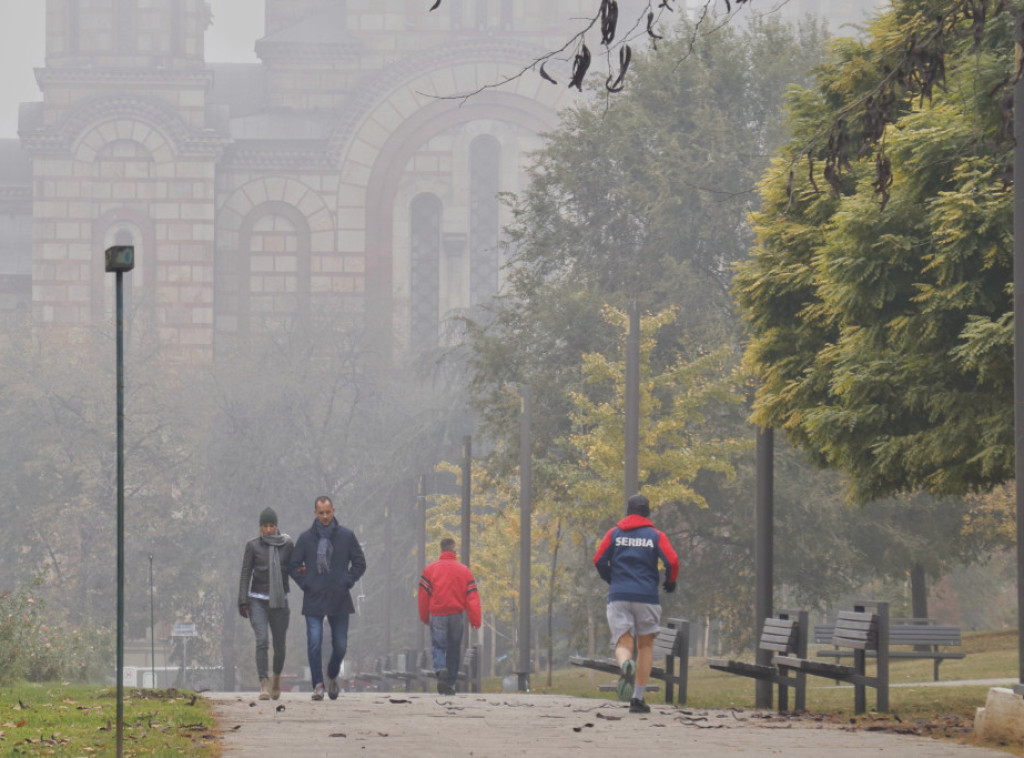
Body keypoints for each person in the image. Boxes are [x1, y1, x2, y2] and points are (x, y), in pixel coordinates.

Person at [593, 493, 679, 714]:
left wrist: (611, 578)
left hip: (619, 595)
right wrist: (670, 581)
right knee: (646, 646)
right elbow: (672, 561)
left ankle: (625, 666)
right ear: (647, 513)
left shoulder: (614, 534)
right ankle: (637, 699)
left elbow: (599, 559)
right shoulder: (655, 536)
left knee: (623, 643)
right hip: (647, 596)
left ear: (628, 512)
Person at [288, 495, 367, 701]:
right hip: (314, 598)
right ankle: (318, 685)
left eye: (328, 512)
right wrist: (306, 583)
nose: (324, 516)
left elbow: (360, 563)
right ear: (315, 513)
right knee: (314, 642)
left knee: (340, 645)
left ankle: (332, 674)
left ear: (333, 511)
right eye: (321, 513)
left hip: (339, 597)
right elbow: (293, 565)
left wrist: (347, 581)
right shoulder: (306, 539)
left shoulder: (346, 536)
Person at [238, 507, 294, 701]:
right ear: (260, 527)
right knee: (262, 641)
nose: (268, 530)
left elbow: (293, 569)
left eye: (272, 526)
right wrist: (243, 600)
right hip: (257, 600)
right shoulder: (253, 546)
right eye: (265, 526)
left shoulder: (287, 544)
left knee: (279, 645)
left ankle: (276, 678)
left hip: (280, 602)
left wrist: (306, 577)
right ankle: (263, 682)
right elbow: (246, 572)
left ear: (276, 526)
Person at [417, 537, 482, 695]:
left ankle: (441, 670)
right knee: (454, 649)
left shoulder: (430, 570)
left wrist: (425, 616)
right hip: (456, 616)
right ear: (454, 551)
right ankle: (450, 683)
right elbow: (472, 597)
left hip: (438, 615)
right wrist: (475, 620)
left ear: (441, 550)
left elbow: (423, 596)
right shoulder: (464, 570)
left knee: (438, 646)